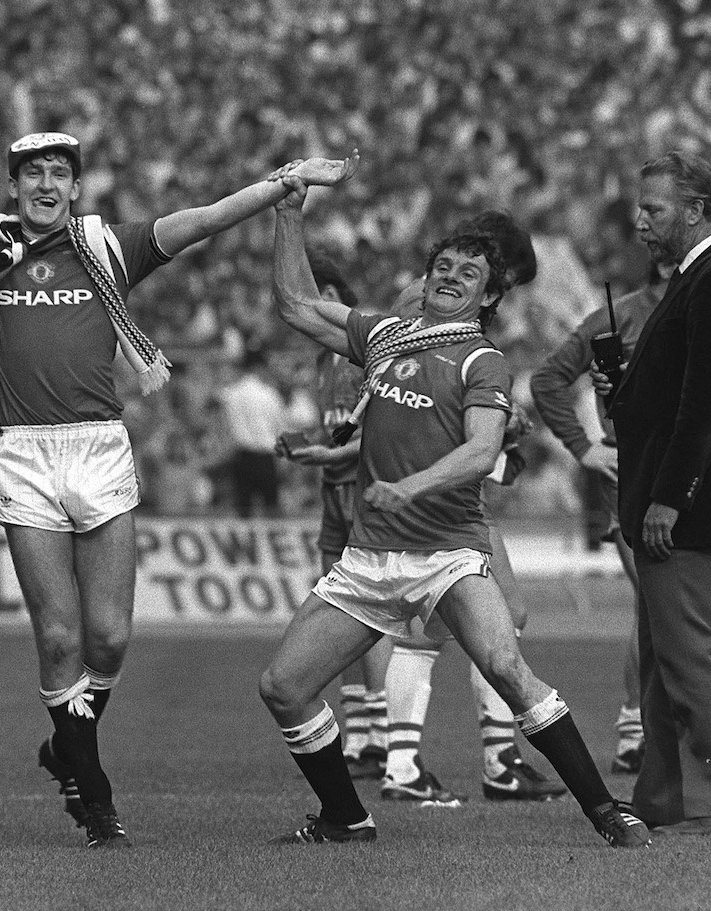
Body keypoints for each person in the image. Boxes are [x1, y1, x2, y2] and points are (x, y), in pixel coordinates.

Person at [0, 38, 357, 849]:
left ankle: (68, 740)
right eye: (34, 173)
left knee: (110, 638)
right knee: (56, 638)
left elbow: (198, 222)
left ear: (75, 185)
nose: (47, 184)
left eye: (60, 173)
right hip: (24, 453)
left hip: (99, 447)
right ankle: (93, 795)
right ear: (15, 185)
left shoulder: (105, 246)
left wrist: (280, 184)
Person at [260, 167, 649, 848]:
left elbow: (479, 453)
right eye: (443, 264)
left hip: (448, 553)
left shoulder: (481, 360)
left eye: (467, 272)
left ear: (490, 295)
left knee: (505, 662)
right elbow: (295, 304)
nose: (450, 274)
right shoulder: (384, 335)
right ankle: (346, 817)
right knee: (283, 686)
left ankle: (605, 811)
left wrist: (408, 487)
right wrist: (289, 215)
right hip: (369, 558)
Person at [374, 211, 566, 805]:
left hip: (440, 475)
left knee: (486, 619)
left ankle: (479, 760)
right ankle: (421, 764)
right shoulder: (427, 304)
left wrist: (494, 413)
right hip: (434, 482)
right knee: (464, 620)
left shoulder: (432, 296)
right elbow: (404, 380)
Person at [600, 150, 711, 835]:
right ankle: (666, 800)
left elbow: (703, 402)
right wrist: (628, 392)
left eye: (655, 209)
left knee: (688, 661)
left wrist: (671, 495)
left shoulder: (706, 281)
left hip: (680, 513)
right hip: (656, 503)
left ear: (696, 210)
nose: (641, 221)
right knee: (659, 669)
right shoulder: (688, 279)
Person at [531, 264, 669, 775]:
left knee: (669, 607)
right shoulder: (617, 316)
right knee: (657, 604)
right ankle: (637, 731)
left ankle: (648, 728)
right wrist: (584, 446)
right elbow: (546, 379)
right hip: (632, 478)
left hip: (692, 478)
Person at [274, 252, 391, 781]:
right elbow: (340, 431)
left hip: (362, 495)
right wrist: (306, 446)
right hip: (332, 498)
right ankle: (362, 733)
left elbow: (378, 435)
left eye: (329, 300)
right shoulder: (323, 364)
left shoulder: (363, 359)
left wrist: (329, 452)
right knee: (335, 611)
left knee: (369, 616)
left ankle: (383, 730)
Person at [217, 349, 286, 517]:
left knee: (243, 511)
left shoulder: (230, 393)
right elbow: (280, 429)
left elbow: (222, 423)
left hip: (241, 457)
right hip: (265, 457)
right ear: (258, 367)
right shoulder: (270, 394)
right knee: (271, 510)